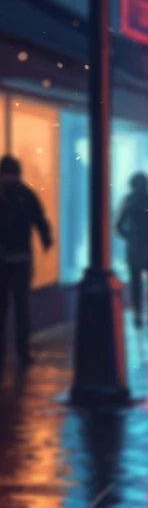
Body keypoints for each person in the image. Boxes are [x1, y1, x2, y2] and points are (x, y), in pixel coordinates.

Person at [0, 154, 53, 375]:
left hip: (1, 261)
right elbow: (39, 219)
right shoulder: (26, 193)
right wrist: (46, 240)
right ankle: (23, 352)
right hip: (21, 259)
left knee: (1, 310)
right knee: (21, 308)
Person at [115, 172, 148, 328]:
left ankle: (138, 314)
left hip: (135, 248)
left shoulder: (129, 201)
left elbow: (118, 226)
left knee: (136, 283)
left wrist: (130, 237)